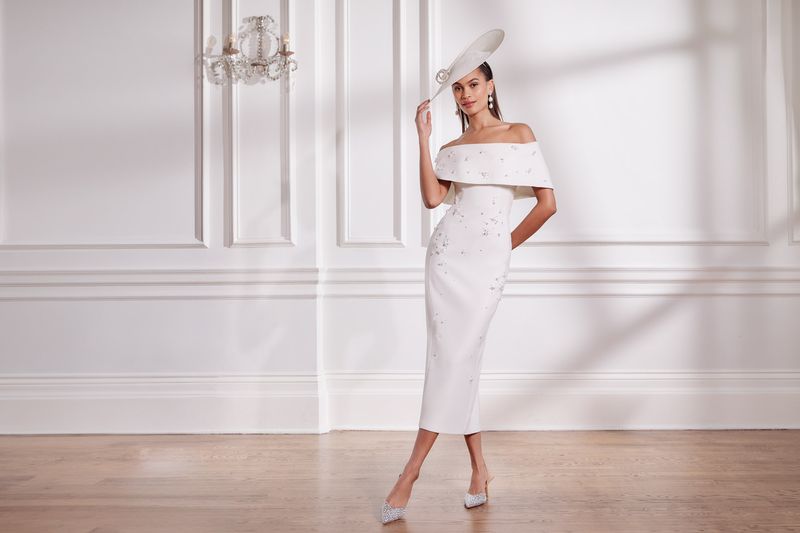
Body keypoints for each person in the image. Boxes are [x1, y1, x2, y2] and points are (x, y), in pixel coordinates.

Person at [380, 30, 557, 525]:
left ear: (490, 86)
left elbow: (547, 205)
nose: (465, 94)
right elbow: (433, 199)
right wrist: (422, 139)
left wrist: (503, 245)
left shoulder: (518, 134)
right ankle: (479, 470)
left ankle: (410, 472)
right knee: (456, 361)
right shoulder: (452, 146)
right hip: (445, 260)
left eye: (474, 84)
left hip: (486, 265)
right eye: (458, 88)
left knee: (456, 360)